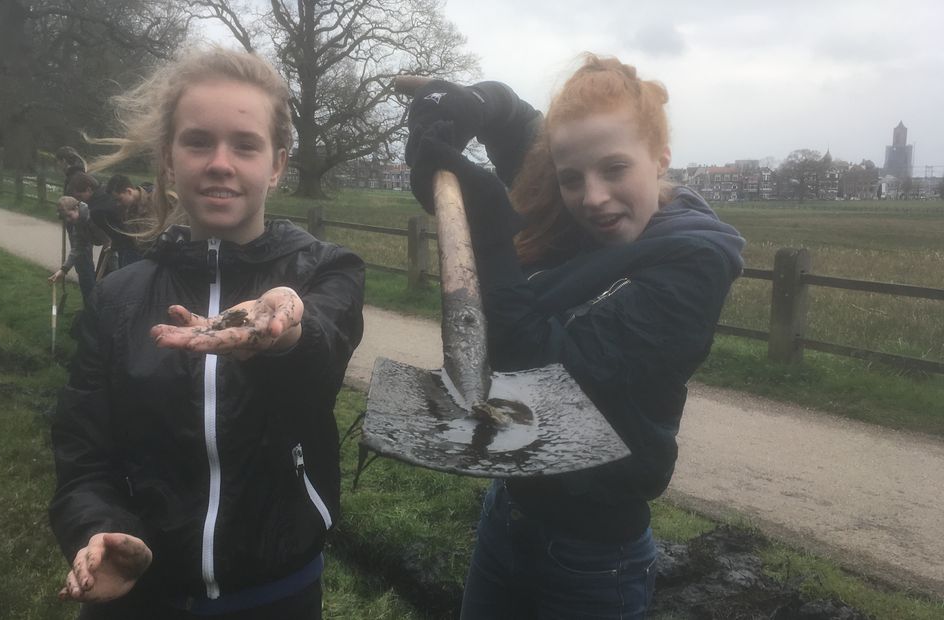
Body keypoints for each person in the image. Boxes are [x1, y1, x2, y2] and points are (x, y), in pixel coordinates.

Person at [405, 54, 745, 619]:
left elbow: (544, 373)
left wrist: (488, 229)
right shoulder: (584, 206)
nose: (592, 197)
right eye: (571, 178)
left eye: (615, 169)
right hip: (509, 511)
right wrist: (473, 102)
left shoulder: (695, 263)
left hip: (592, 557)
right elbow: (516, 120)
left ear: (660, 159)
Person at [48, 46, 365, 619]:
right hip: (137, 596)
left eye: (245, 145)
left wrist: (284, 331)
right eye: (198, 142)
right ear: (169, 159)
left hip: (279, 593)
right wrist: (100, 528)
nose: (221, 162)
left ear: (277, 163)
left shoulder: (327, 271)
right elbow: (83, 456)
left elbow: (321, 364)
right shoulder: (120, 297)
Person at [49, 196, 110, 311]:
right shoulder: (77, 224)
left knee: (117, 275)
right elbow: (77, 249)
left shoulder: (93, 215)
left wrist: (110, 245)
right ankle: (94, 310)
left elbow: (109, 235)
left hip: (117, 243)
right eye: (64, 217)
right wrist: (63, 270)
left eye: (69, 215)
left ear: (77, 208)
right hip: (106, 243)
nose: (67, 220)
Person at [104, 173, 154, 267]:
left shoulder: (157, 198)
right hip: (142, 256)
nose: (118, 204)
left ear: (129, 191)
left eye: (119, 199)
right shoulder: (126, 210)